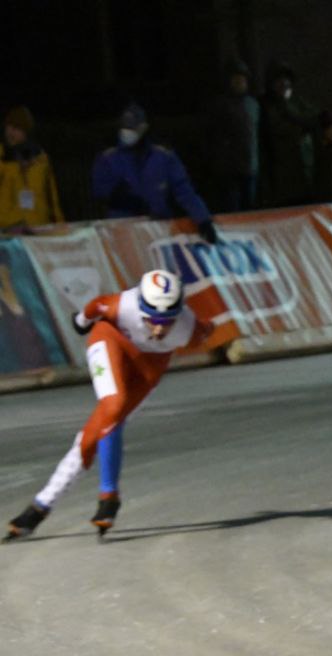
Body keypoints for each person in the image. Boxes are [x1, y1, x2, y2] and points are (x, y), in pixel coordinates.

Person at [5, 271, 213, 541]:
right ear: (140, 307)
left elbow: (208, 328)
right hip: (110, 340)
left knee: (96, 433)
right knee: (113, 407)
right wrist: (81, 322)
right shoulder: (121, 305)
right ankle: (109, 495)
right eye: (152, 318)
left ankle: (40, 507)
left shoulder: (189, 329)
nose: (160, 328)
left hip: (147, 367)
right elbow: (95, 306)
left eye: (167, 320)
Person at [90, 103, 219, 243]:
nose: (127, 133)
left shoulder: (163, 157)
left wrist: (203, 219)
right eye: (124, 128)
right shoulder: (109, 159)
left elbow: (184, 191)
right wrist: (118, 195)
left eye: (132, 128)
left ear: (143, 128)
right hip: (123, 230)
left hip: (159, 228)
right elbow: (99, 190)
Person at [205, 58, 260, 212]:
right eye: (235, 79)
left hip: (250, 167)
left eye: (242, 79)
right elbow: (211, 136)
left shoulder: (253, 104)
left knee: (249, 208)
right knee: (232, 209)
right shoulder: (219, 105)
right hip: (228, 170)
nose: (239, 83)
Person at [259, 60, 316, 207]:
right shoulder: (265, 105)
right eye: (278, 80)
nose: (283, 84)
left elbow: (312, 120)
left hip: (302, 168)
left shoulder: (297, 102)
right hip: (279, 170)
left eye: (286, 80)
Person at [0, 105, 63, 232]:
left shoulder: (41, 161)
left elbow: (52, 197)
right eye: (9, 127)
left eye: (17, 128)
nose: (10, 132)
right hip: (7, 229)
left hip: (37, 227)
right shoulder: (3, 159)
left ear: (26, 131)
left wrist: (59, 223)